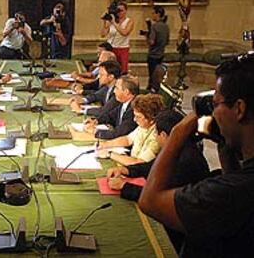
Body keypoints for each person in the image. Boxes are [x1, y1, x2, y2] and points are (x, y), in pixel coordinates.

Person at [139, 54, 254, 257]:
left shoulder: (230, 192)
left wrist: (177, 132)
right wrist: (224, 145)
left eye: (216, 103)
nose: (214, 113)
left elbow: (150, 201)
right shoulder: (239, 183)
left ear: (239, 109)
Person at [107, 110, 210, 252]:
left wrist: (124, 186)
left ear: (164, 135)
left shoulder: (186, 160)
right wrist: (127, 170)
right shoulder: (182, 148)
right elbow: (153, 166)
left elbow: (159, 198)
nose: (155, 137)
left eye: (156, 133)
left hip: (178, 232)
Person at [98, 94, 164, 166]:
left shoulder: (157, 136)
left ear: (152, 119)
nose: (134, 119)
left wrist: (109, 154)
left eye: (138, 117)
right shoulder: (143, 126)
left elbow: (139, 162)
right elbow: (127, 139)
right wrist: (105, 144)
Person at [85, 75, 139, 139]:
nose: (114, 91)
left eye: (117, 88)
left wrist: (95, 131)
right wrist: (96, 121)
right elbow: (110, 116)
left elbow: (118, 133)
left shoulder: (134, 109)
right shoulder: (124, 103)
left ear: (126, 92)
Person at [100, 2, 134, 74]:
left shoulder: (129, 21)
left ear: (126, 11)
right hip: (111, 48)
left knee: (122, 70)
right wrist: (104, 22)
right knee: (109, 70)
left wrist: (114, 23)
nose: (119, 12)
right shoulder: (112, 20)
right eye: (118, 10)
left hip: (122, 48)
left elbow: (124, 33)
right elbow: (103, 34)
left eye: (121, 10)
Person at [145, 6, 170, 91]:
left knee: (152, 76)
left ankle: (151, 92)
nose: (152, 15)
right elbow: (167, 41)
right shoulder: (166, 27)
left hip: (153, 55)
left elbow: (151, 42)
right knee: (158, 75)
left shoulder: (154, 26)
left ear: (158, 14)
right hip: (161, 54)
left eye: (153, 13)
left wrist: (147, 37)